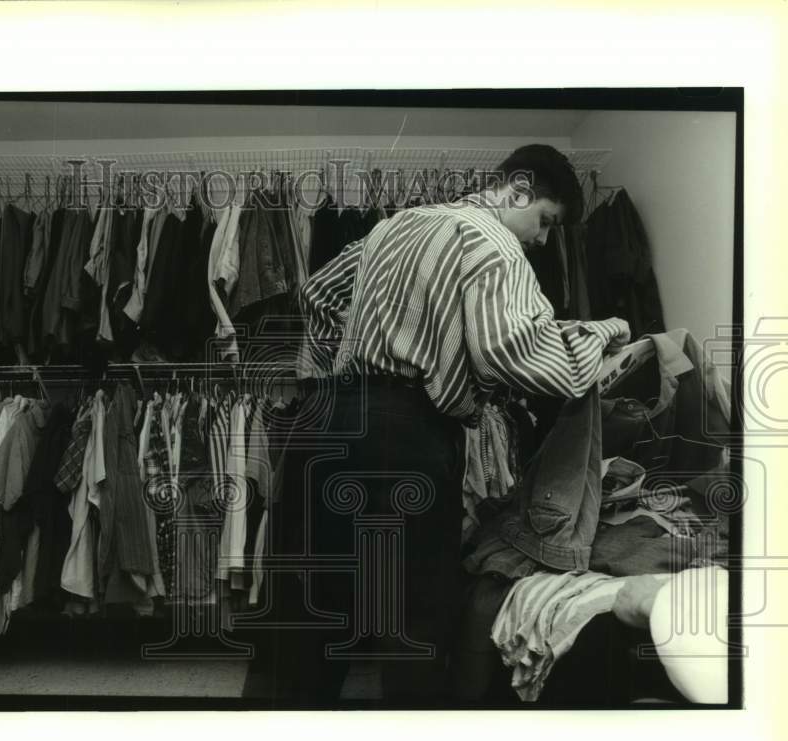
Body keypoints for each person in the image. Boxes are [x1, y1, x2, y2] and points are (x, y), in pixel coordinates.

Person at [252, 145, 631, 705]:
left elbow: (319, 295)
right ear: (516, 190)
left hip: (325, 420)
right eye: (545, 221)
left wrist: (355, 358)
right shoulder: (494, 244)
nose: (543, 239)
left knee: (312, 610)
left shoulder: (398, 224)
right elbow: (520, 350)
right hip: (404, 434)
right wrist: (604, 333)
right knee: (413, 619)